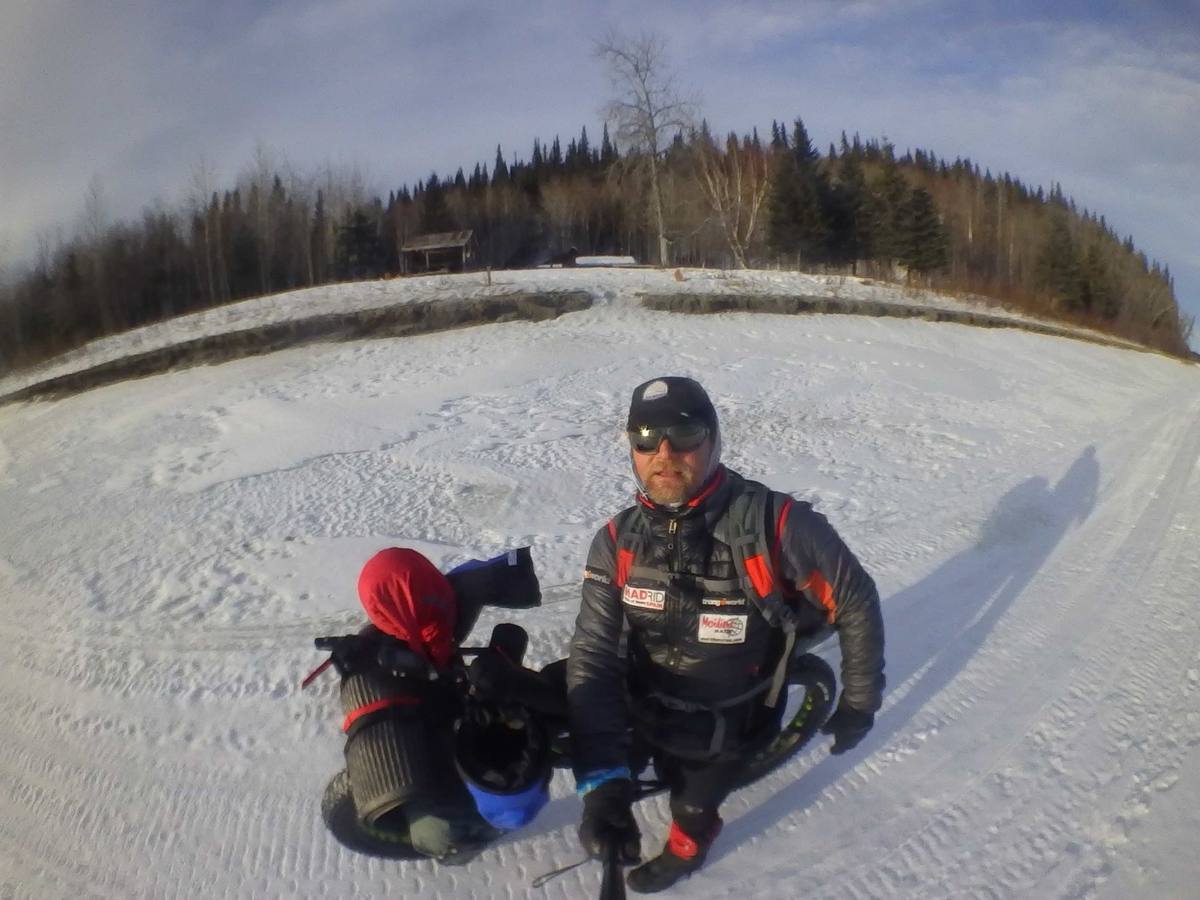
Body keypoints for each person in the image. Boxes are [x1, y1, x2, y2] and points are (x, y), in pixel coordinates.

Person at [567, 376, 885, 893]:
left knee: (691, 806)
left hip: (731, 721)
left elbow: (854, 599)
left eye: (684, 433)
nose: (663, 452)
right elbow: (594, 653)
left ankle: (687, 852)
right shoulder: (616, 540)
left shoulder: (777, 524)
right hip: (644, 704)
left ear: (714, 439)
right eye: (646, 436)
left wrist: (860, 702)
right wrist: (601, 785)